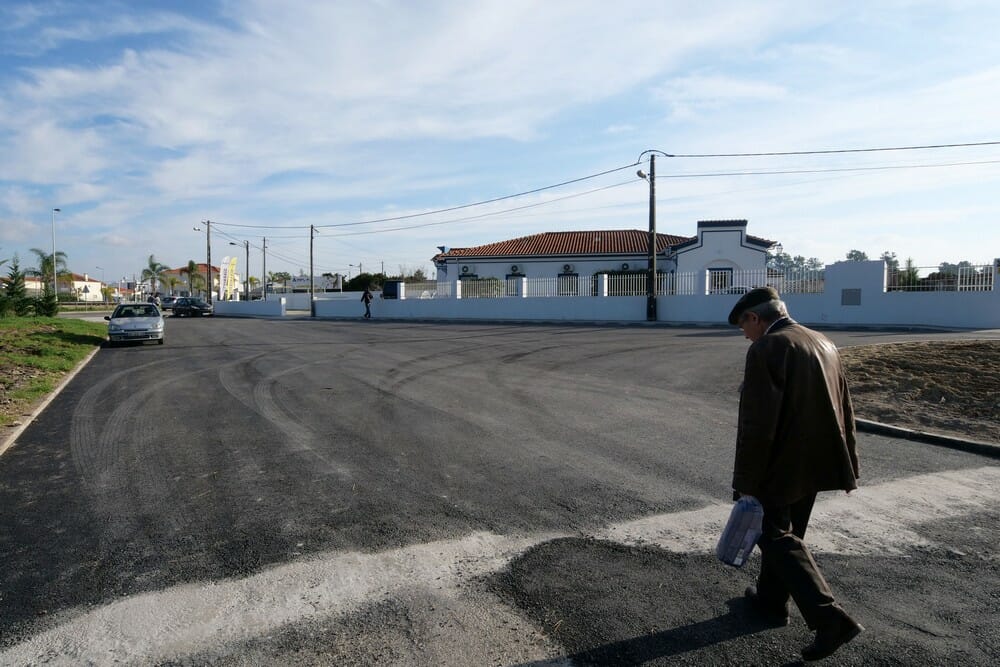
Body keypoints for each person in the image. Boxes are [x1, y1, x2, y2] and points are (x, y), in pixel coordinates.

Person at [728, 287, 863, 662]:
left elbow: (757, 425)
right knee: (790, 535)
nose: (744, 333)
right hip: (818, 460)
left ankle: (829, 618)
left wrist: (746, 482)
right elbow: (844, 406)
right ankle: (772, 602)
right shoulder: (822, 342)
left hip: (781, 463)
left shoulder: (768, 349)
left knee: (772, 536)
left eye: (744, 325)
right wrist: (849, 461)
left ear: (756, 318)